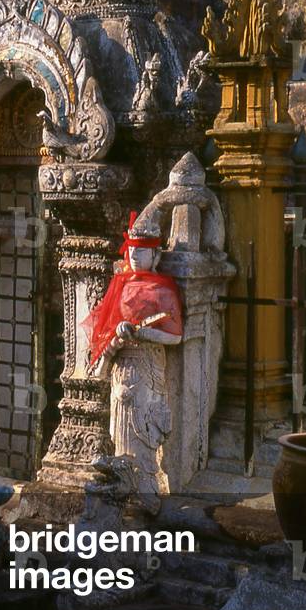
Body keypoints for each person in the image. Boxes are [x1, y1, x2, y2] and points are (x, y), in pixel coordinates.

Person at [84, 213, 183, 498]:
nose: (135, 256)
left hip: (148, 366)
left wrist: (145, 334)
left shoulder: (164, 290)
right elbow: (107, 327)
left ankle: (147, 485)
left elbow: (175, 336)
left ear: (156, 255)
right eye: (132, 250)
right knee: (120, 427)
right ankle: (123, 483)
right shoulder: (121, 285)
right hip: (121, 364)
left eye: (142, 251)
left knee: (145, 426)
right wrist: (117, 334)